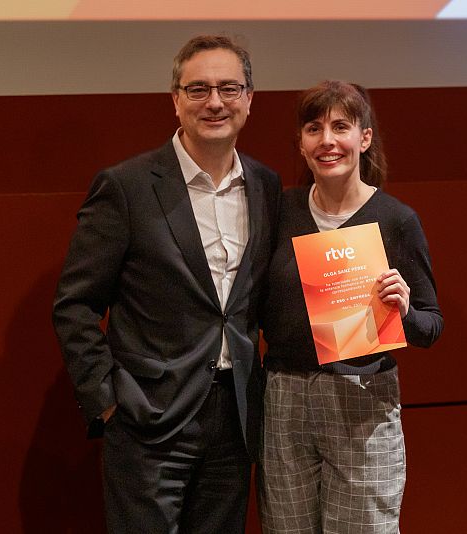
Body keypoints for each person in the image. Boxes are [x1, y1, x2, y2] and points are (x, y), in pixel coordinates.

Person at [52, 35, 280, 534]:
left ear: (249, 99)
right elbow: (75, 305)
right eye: (198, 89)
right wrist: (108, 401)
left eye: (228, 88)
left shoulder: (266, 186)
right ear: (175, 100)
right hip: (147, 422)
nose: (215, 102)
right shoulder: (126, 187)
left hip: (236, 420)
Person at [257, 80, 444, 533]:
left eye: (340, 126)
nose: (327, 140)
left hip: (362, 400)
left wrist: (404, 311)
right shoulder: (279, 210)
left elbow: (431, 325)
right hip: (285, 397)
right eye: (313, 128)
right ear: (301, 144)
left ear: (364, 138)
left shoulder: (396, 220)